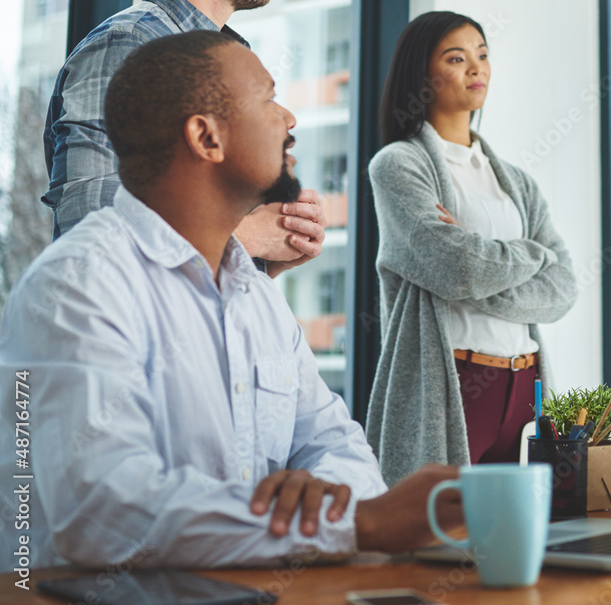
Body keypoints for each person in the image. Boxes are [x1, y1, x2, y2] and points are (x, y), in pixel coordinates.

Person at [0, 31, 461, 569]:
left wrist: (324, 501)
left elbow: (339, 446)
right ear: (206, 138)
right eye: (267, 98)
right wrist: (355, 523)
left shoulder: (255, 295)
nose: (290, 119)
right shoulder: (79, 285)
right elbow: (103, 514)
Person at [43, 0, 324, 276]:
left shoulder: (232, 63)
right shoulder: (129, 46)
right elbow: (89, 231)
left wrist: (270, 255)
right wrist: (249, 236)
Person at [365, 11, 578, 485]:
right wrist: (533, 254)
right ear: (421, 74)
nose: (476, 69)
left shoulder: (517, 182)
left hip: (526, 384)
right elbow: (458, 268)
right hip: (455, 382)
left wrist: (475, 266)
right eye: (457, 58)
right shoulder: (399, 166)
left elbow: (562, 289)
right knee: (439, 538)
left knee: (516, 540)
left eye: (482, 56)